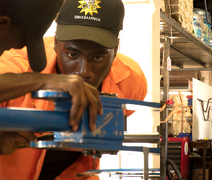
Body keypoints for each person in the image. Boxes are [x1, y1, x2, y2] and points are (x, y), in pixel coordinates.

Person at [0, 0, 147, 179]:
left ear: (115, 49)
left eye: (98, 57)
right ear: (56, 43)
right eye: (72, 54)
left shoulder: (130, 81)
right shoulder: (14, 67)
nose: (83, 72)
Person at [0, 0, 103, 156]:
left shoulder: (129, 77)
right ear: (2, 23)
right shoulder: (11, 63)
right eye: (10, 47)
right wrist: (41, 80)